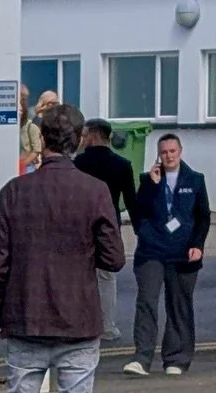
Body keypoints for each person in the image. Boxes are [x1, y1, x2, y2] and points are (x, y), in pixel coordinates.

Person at [0, 104, 125, 393]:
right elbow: (114, 258)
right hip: (78, 321)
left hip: (27, 318)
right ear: (80, 138)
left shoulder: (14, 192)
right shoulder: (94, 191)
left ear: (41, 139)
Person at [124, 135, 210, 378]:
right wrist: (151, 185)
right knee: (147, 301)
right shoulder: (148, 180)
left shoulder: (195, 180)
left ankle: (177, 358)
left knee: (179, 304)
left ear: (180, 151)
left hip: (183, 253)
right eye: (164, 152)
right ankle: (142, 357)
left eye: (173, 151)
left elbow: (203, 216)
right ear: (158, 154)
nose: (169, 156)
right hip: (152, 251)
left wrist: (198, 244)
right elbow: (139, 211)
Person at [74, 119, 136, 341]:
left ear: (92, 135)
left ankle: (80, 324)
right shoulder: (122, 164)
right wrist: (140, 229)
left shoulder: (79, 163)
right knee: (106, 276)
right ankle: (107, 326)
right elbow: (131, 201)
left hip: (80, 224)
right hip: (109, 225)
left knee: (80, 275)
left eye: (84, 134)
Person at [18, 85, 43, 176]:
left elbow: (36, 150)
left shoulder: (31, 127)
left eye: (23, 100)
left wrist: (22, 164)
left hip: (27, 168)